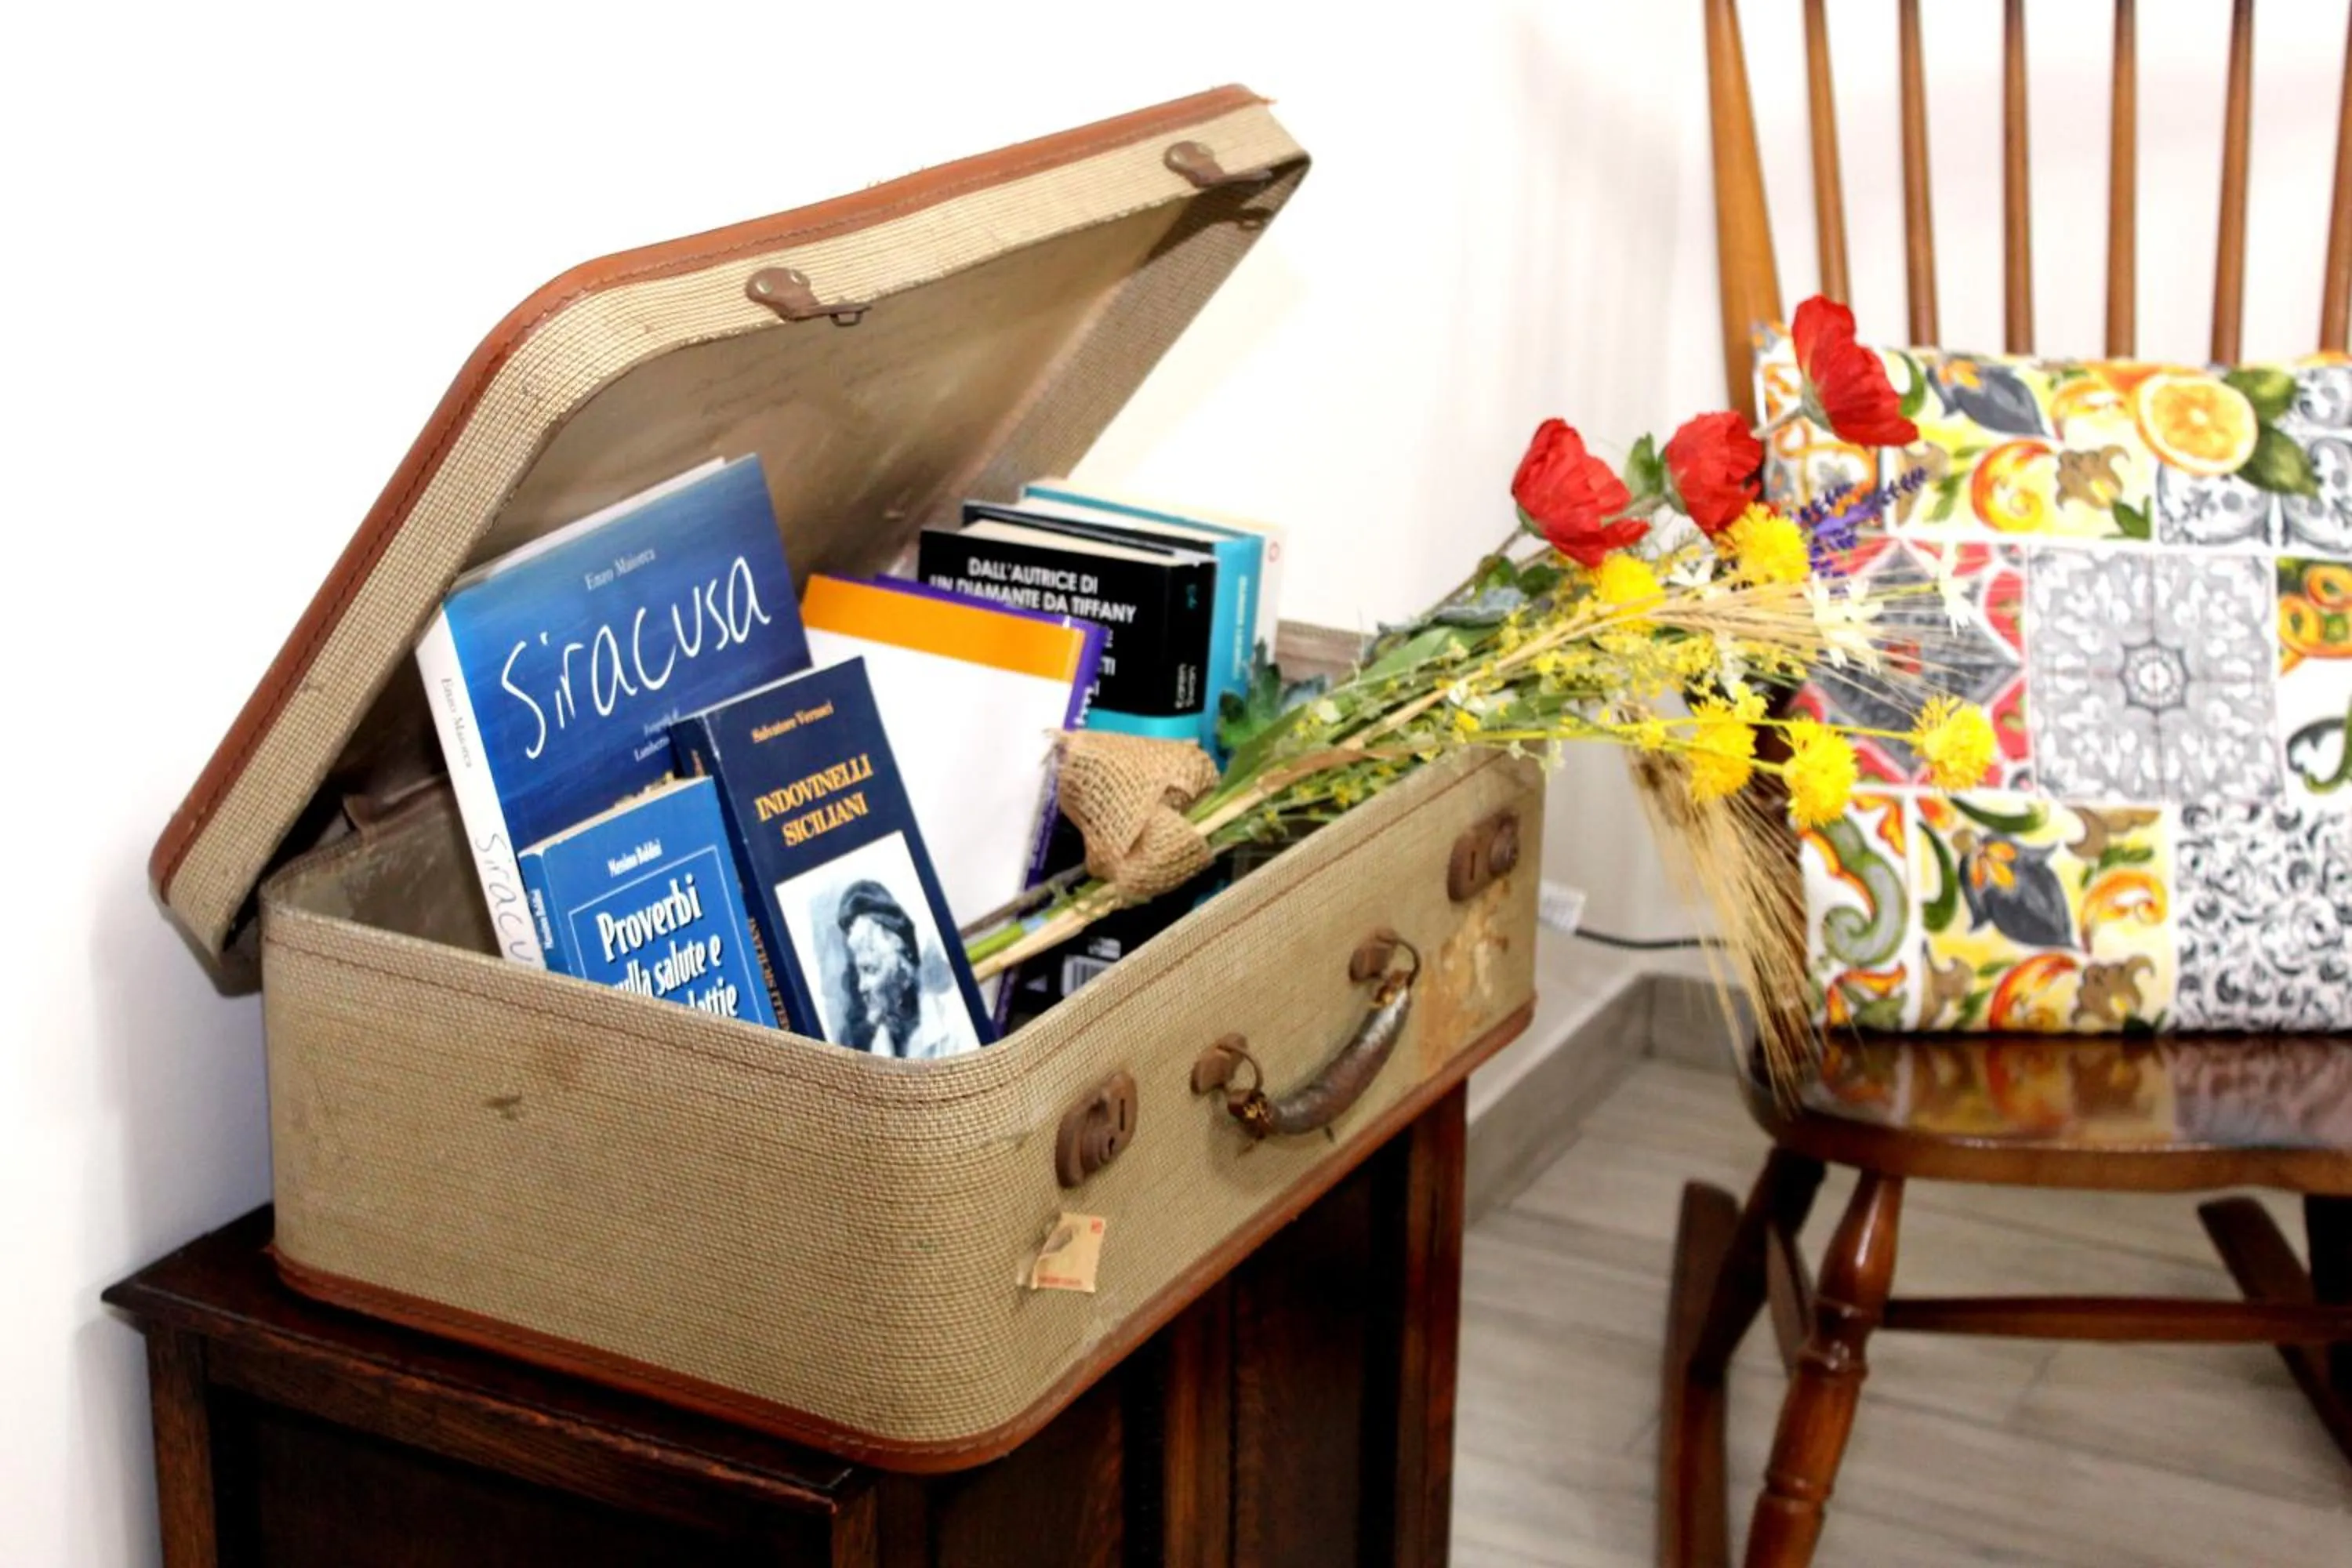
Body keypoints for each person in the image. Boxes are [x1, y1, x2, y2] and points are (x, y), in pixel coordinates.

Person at [833, 879, 967, 1060]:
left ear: (904, 967)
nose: (862, 987)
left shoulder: (953, 1026)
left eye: (870, 969)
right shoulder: (880, 1044)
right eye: (860, 974)